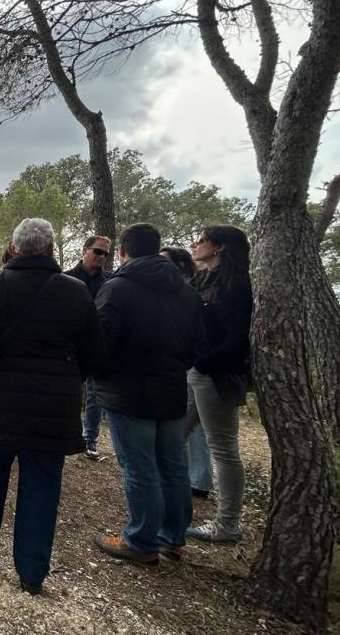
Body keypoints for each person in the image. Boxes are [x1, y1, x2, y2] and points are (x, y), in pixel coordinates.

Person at [0, 218, 105, 595]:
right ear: (51, 250)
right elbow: (95, 353)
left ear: (14, 249)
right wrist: (64, 383)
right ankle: (32, 573)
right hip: (52, 412)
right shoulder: (76, 291)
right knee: (42, 486)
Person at [91, 223, 206, 565]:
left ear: (123, 252)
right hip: (171, 390)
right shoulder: (187, 293)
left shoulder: (117, 289)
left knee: (140, 468)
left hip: (128, 393)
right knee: (173, 465)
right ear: (157, 250)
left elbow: (101, 344)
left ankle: (140, 542)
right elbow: (198, 345)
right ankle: (172, 537)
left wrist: (100, 374)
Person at [183, 225, 253, 543]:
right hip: (196, 371)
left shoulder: (237, 285)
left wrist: (203, 363)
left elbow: (238, 339)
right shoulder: (202, 279)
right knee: (175, 434)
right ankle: (170, 501)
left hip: (218, 376)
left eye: (201, 241)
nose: (195, 245)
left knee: (223, 449)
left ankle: (228, 526)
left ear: (219, 247)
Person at [162, 246, 214, 499]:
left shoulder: (188, 291)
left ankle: (194, 479)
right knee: (192, 424)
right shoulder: (189, 288)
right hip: (188, 364)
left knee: (188, 424)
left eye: (164, 260)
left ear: (179, 265)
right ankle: (197, 479)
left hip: (192, 365)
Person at [66, 235, 111, 460]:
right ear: (84, 250)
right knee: (67, 390)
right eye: (98, 251)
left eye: (106, 254)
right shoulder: (65, 278)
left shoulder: (111, 282)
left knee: (95, 394)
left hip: (97, 346)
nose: (102, 257)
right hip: (70, 344)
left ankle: (89, 438)